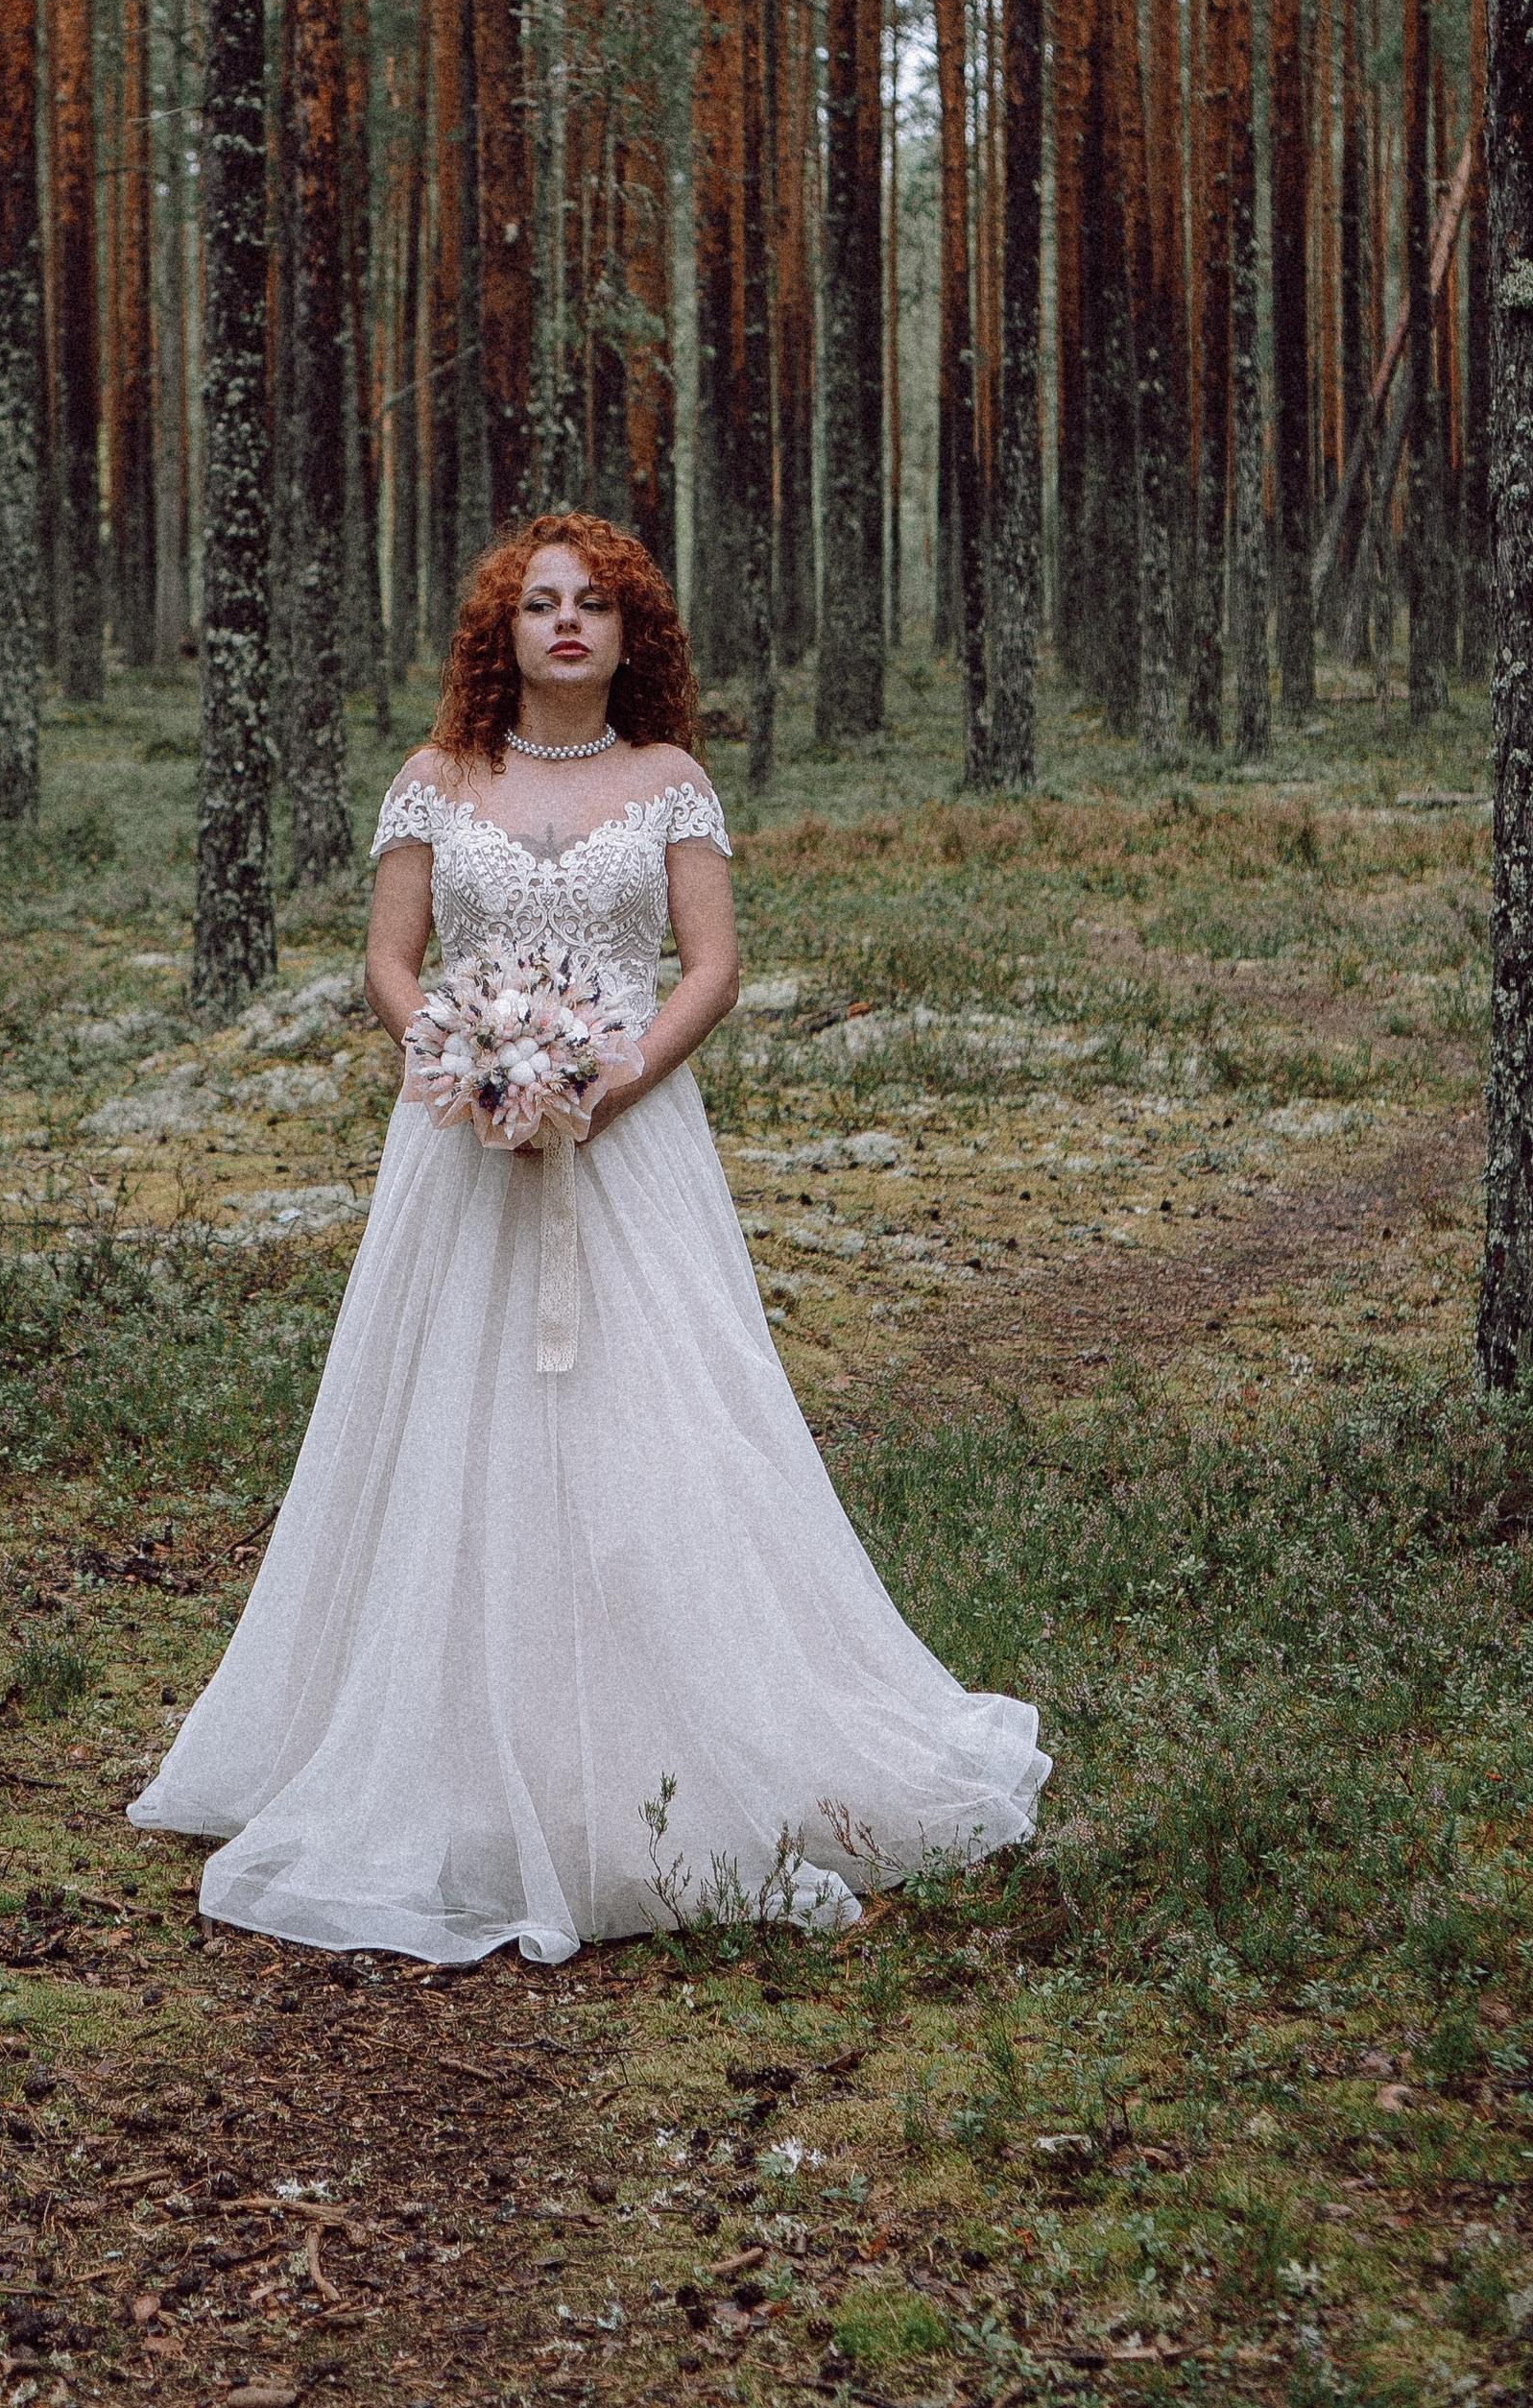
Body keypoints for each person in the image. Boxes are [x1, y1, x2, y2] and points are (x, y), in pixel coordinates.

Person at [129, 512, 1046, 1963]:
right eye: (541, 604)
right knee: (450, 1423)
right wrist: (466, 1056)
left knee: (658, 1418)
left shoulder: (669, 782)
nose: (568, 625)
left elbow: (715, 965)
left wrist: (608, 1080)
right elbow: (387, 957)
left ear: (633, 634)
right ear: (502, 631)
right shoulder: (436, 781)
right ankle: (434, 1749)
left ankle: (652, 1743)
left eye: (595, 606)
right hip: (462, 1152)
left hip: (634, 1146)